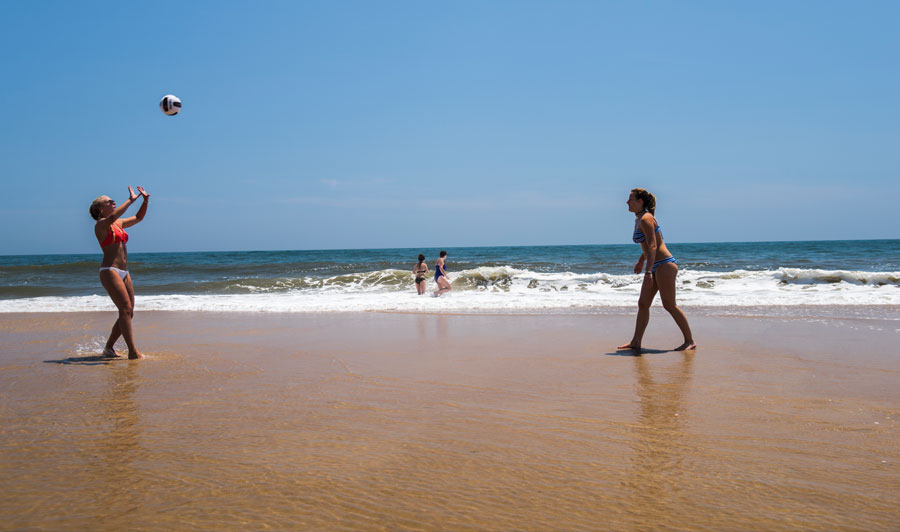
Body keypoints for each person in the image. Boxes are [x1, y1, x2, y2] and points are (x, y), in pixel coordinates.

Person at [618, 188, 696, 352]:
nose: (627, 202)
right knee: (643, 303)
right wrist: (641, 261)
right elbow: (647, 246)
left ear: (640, 202)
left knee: (669, 304)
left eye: (630, 199)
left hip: (664, 265)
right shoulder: (639, 218)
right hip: (655, 265)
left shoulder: (646, 219)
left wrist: (647, 272)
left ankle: (689, 341)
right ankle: (636, 342)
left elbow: (654, 246)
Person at [89, 186, 150, 359]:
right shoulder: (101, 225)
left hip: (124, 272)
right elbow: (115, 216)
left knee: (129, 311)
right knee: (124, 308)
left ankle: (108, 348)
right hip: (110, 271)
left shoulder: (118, 223)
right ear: (101, 209)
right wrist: (131, 200)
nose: (113, 202)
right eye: (109, 201)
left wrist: (145, 201)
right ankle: (132, 351)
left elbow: (138, 218)